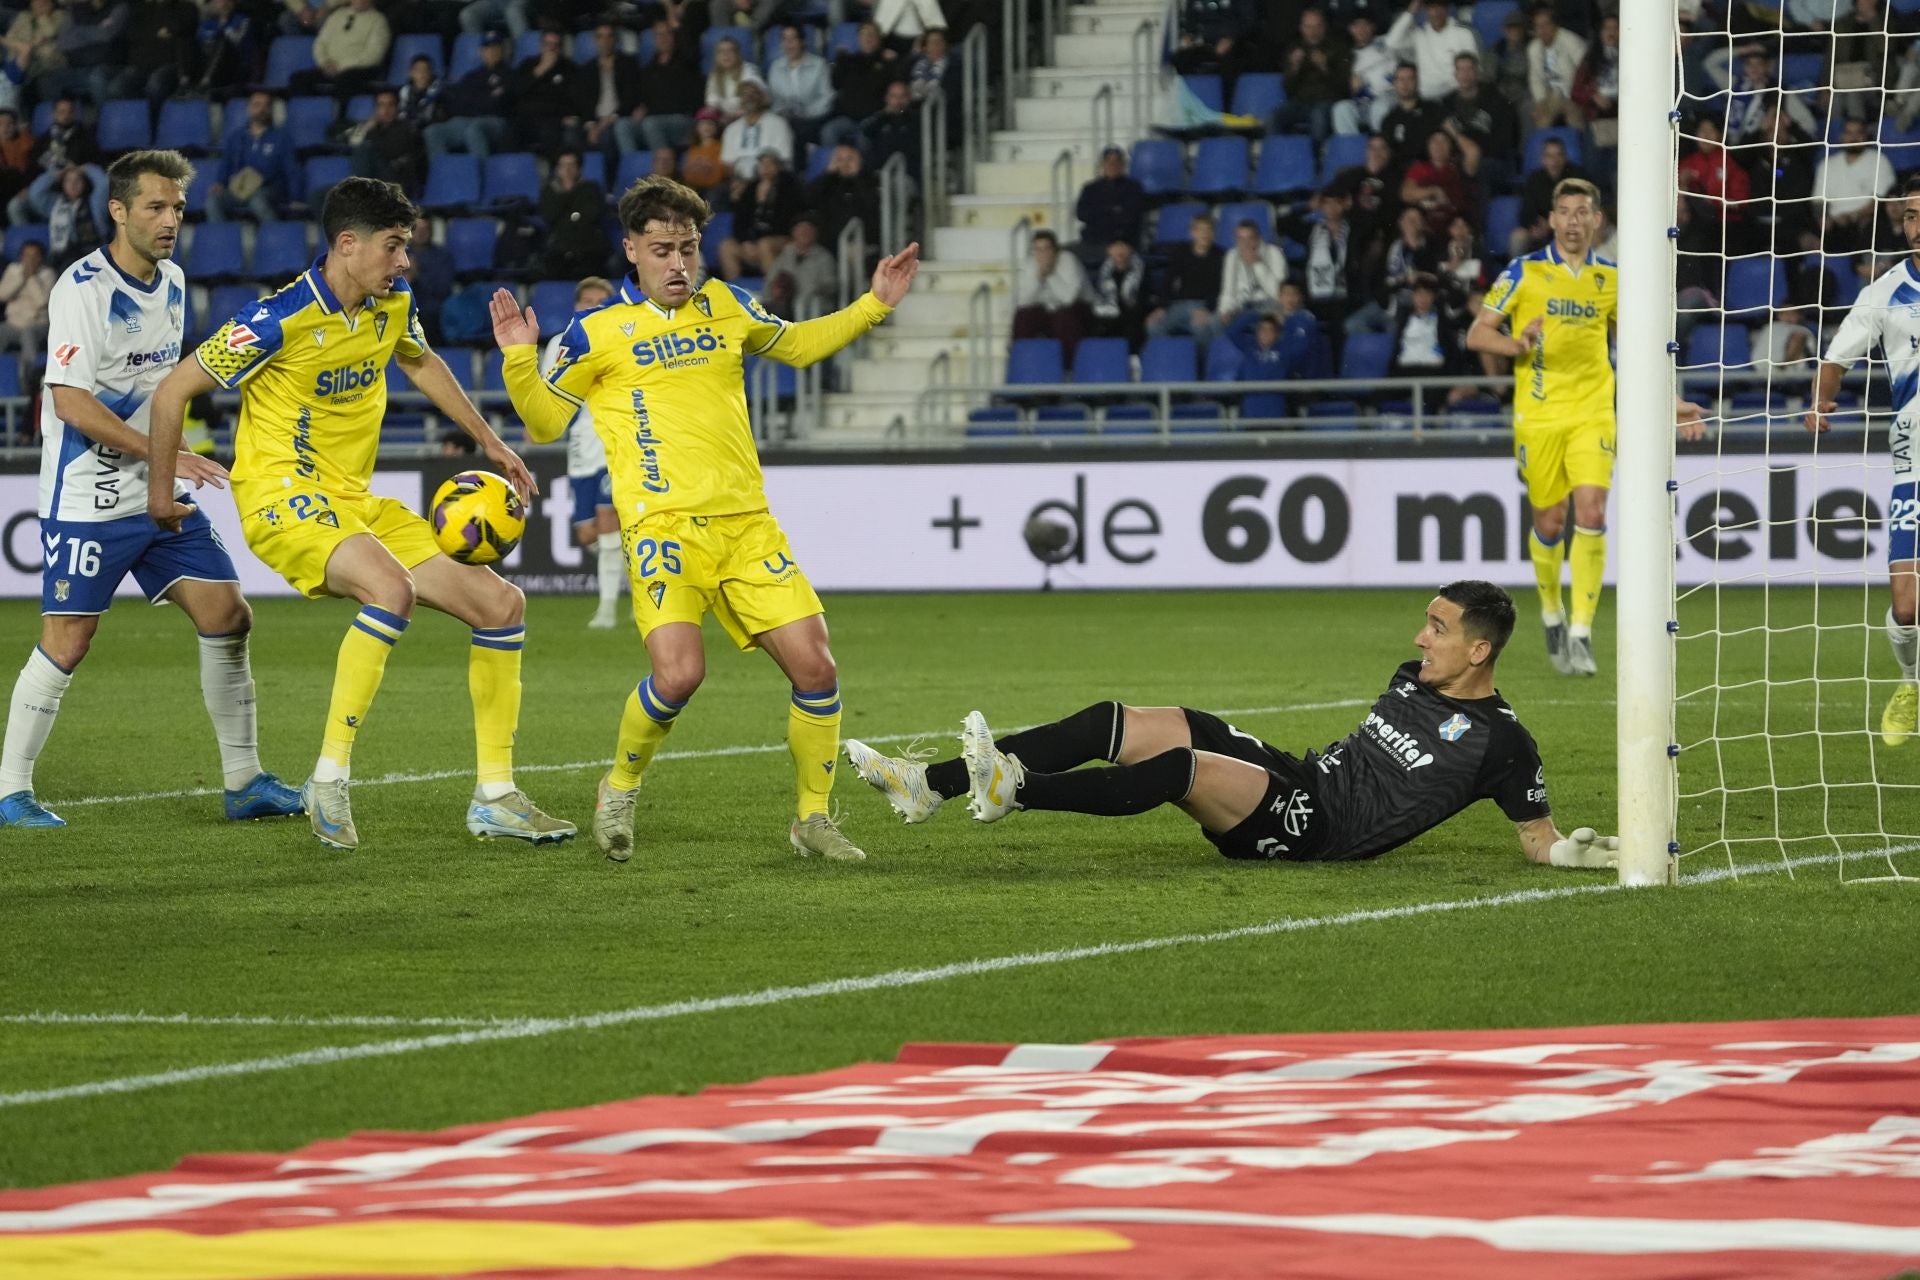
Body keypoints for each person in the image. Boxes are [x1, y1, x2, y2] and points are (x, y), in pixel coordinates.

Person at [488, 175, 921, 863]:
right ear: (630, 249)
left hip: (747, 526)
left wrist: (874, 304)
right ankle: (620, 786)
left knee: (817, 669)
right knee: (680, 675)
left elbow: (798, 344)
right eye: (662, 249)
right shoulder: (595, 332)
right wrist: (519, 355)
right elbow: (542, 424)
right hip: (662, 529)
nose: (679, 264)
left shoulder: (725, 303)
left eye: (688, 247)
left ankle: (812, 819)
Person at [145, 177, 571, 852]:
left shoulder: (393, 302)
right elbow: (172, 393)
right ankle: (329, 778)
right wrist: (160, 493)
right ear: (348, 244)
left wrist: (491, 442)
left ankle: (496, 797)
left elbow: (422, 360)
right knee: (390, 588)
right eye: (395, 246)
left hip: (353, 500)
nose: (405, 262)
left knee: (502, 606)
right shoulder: (274, 318)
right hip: (282, 497)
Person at [844, 582, 1623, 871]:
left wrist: (1573, 854)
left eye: (1439, 628)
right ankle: (928, 784)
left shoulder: (1503, 742)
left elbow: (1535, 837)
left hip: (1321, 829)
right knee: (1123, 721)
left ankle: (1018, 788)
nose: (1421, 638)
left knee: (1182, 767)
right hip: (1307, 777)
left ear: (1480, 650)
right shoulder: (1408, 677)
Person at [0, 150, 302, 830]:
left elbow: (163, 390)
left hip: (158, 489)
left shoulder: (172, 282)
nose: (170, 222)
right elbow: (73, 404)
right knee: (68, 642)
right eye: (155, 209)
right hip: (87, 496)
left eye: (178, 209)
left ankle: (244, 780)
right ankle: (10, 789)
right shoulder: (80, 288)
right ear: (118, 211)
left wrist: (168, 460)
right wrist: (164, 454)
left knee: (228, 614)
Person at [1467, 176, 1618, 676]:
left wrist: (1674, 400)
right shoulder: (1524, 272)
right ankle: (1552, 611)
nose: (1574, 221)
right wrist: (1518, 345)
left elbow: (1641, 349)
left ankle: (1580, 632)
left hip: (1593, 410)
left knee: (1592, 512)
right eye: (1566, 213)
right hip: (1539, 415)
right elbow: (1477, 334)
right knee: (1550, 522)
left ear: (1596, 220)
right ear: (1552, 220)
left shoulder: (1614, 280)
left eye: (1583, 212)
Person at [1805, 174, 1920, 747]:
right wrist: (1822, 399)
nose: (1917, 226)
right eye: (1910, 216)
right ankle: (1910, 682)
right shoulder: (1885, 291)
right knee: (1906, 605)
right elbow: (1836, 356)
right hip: (1913, 461)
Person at [542, 275, 623, 630]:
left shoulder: (622, 336)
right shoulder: (560, 343)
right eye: (585, 300)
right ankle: (638, 576)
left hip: (617, 438)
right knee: (587, 533)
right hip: (581, 443)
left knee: (608, 521)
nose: (591, 305)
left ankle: (606, 609)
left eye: (599, 300)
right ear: (575, 305)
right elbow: (549, 389)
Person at [206, 91, 296, 224]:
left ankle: (275, 236)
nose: (262, 109)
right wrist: (220, 182)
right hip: (240, 187)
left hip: (268, 189)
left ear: (271, 110)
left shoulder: (281, 138)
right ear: (248, 108)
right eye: (257, 105)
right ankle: (222, 241)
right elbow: (226, 163)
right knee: (213, 201)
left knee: (257, 201)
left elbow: (291, 169)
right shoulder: (236, 137)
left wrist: (296, 197)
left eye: (266, 106)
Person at [1012, 228, 1088, 359]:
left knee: (1063, 317)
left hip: (1079, 310)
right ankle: (1022, 361)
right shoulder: (1030, 264)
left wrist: (1050, 274)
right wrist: (1039, 277)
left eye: (1046, 248)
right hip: (1048, 312)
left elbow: (1068, 299)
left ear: (1055, 250)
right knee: (1023, 316)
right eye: (1038, 249)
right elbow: (1023, 301)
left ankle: (1069, 367)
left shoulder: (1069, 261)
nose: (1042, 254)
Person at [538, 150, 609, 280]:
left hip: (588, 248)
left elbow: (591, 215)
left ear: (579, 168)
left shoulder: (591, 188)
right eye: (563, 165)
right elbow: (549, 216)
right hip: (559, 250)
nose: (568, 169)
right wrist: (569, 193)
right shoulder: (550, 191)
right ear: (557, 168)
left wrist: (570, 191)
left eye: (572, 165)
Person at [1075, 145, 1145, 253]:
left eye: (1117, 161)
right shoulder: (1090, 188)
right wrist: (1112, 210)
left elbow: (1130, 216)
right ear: (1102, 164)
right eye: (1108, 161)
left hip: (1124, 243)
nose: (1112, 165)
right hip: (1094, 242)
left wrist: (1099, 211)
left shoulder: (1133, 188)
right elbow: (1081, 214)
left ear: (1123, 165)